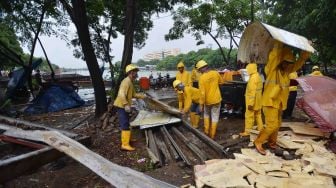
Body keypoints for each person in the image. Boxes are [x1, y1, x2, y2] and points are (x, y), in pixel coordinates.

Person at [254, 41, 310, 155]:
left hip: (279, 103)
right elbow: (274, 56)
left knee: (277, 124)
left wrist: (306, 50)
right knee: (272, 125)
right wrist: (278, 43)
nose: (287, 65)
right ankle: (258, 142)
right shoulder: (271, 70)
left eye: (289, 63)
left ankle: (272, 142)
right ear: (281, 61)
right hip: (269, 102)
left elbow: (300, 62)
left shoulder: (288, 71)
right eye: (285, 62)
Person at [113, 64, 146, 151]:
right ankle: (125, 144)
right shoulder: (126, 81)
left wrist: (143, 96)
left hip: (124, 105)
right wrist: (125, 105)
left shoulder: (130, 82)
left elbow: (134, 94)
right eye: (135, 71)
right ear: (131, 72)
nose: (136, 73)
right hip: (121, 106)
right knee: (124, 123)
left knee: (127, 122)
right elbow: (121, 94)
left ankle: (128, 139)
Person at [196, 60, 224, 139]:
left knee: (206, 114)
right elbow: (221, 82)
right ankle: (212, 135)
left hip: (207, 101)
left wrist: (201, 104)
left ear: (202, 68)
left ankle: (206, 131)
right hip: (217, 99)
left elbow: (202, 93)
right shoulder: (215, 73)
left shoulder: (202, 78)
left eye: (199, 70)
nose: (199, 71)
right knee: (215, 116)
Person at [240, 63, 264, 136]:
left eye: (248, 69)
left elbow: (252, 92)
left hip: (252, 102)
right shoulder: (258, 76)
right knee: (258, 115)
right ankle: (261, 129)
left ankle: (247, 132)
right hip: (259, 100)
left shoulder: (253, 78)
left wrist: (250, 103)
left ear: (251, 69)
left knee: (249, 116)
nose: (247, 71)